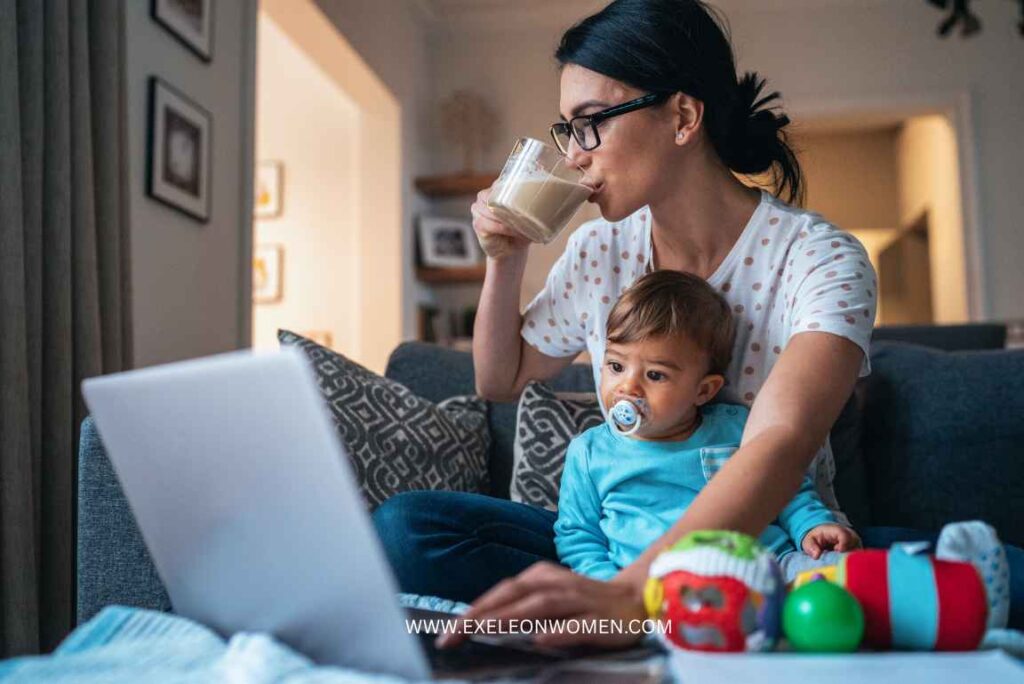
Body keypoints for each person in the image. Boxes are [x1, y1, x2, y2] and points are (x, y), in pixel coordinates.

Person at [373, 0, 1023, 647]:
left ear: (681, 116)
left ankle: (692, 613)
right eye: (567, 130)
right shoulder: (599, 250)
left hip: (770, 548)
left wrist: (634, 594)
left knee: (1006, 580)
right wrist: (505, 261)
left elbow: (779, 442)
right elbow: (500, 379)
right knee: (409, 528)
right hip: (620, 543)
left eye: (590, 123)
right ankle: (666, 615)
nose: (573, 156)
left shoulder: (818, 259)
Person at [555, 270, 860, 584]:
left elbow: (785, 490)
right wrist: (609, 589)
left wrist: (812, 526)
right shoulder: (590, 453)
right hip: (653, 590)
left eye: (655, 375)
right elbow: (578, 537)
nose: (627, 387)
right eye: (616, 366)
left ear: (704, 391)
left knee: (847, 575)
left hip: (767, 568)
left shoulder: (738, 427)